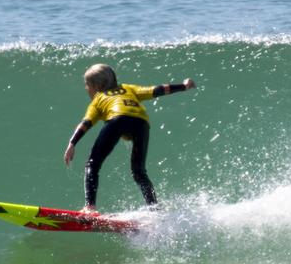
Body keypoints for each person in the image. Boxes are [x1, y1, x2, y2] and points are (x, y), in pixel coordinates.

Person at [64, 64, 196, 213]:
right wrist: (184, 86)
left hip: (118, 119)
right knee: (139, 171)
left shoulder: (98, 99)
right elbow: (157, 90)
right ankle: (155, 208)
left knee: (92, 164)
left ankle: (90, 207)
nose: (86, 88)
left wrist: (72, 143)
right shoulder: (128, 89)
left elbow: (86, 123)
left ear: (97, 86)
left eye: (87, 85)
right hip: (141, 123)